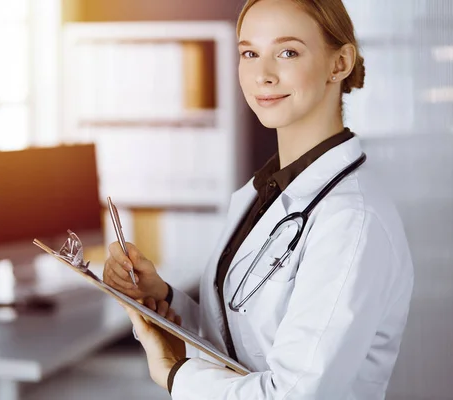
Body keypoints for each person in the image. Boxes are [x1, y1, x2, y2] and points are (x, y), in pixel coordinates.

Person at [102, 0, 414, 398]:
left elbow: (292, 394)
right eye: (250, 53)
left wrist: (173, 374)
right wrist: (164, 298)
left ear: (340, 64)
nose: (262, 75)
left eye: (288, 52)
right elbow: (246, 338)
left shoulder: (351, 220)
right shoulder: (267, 191)